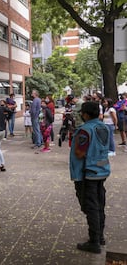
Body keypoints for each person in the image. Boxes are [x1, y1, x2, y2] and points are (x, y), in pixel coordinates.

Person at [70, 101, 110, 254]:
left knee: (90, 206)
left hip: (88, 173)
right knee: (99, 204)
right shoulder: (104, 127)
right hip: (102, 170)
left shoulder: (85, 130)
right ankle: (99, 236)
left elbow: (80, 153)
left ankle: (94, 242)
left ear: (85, 114)